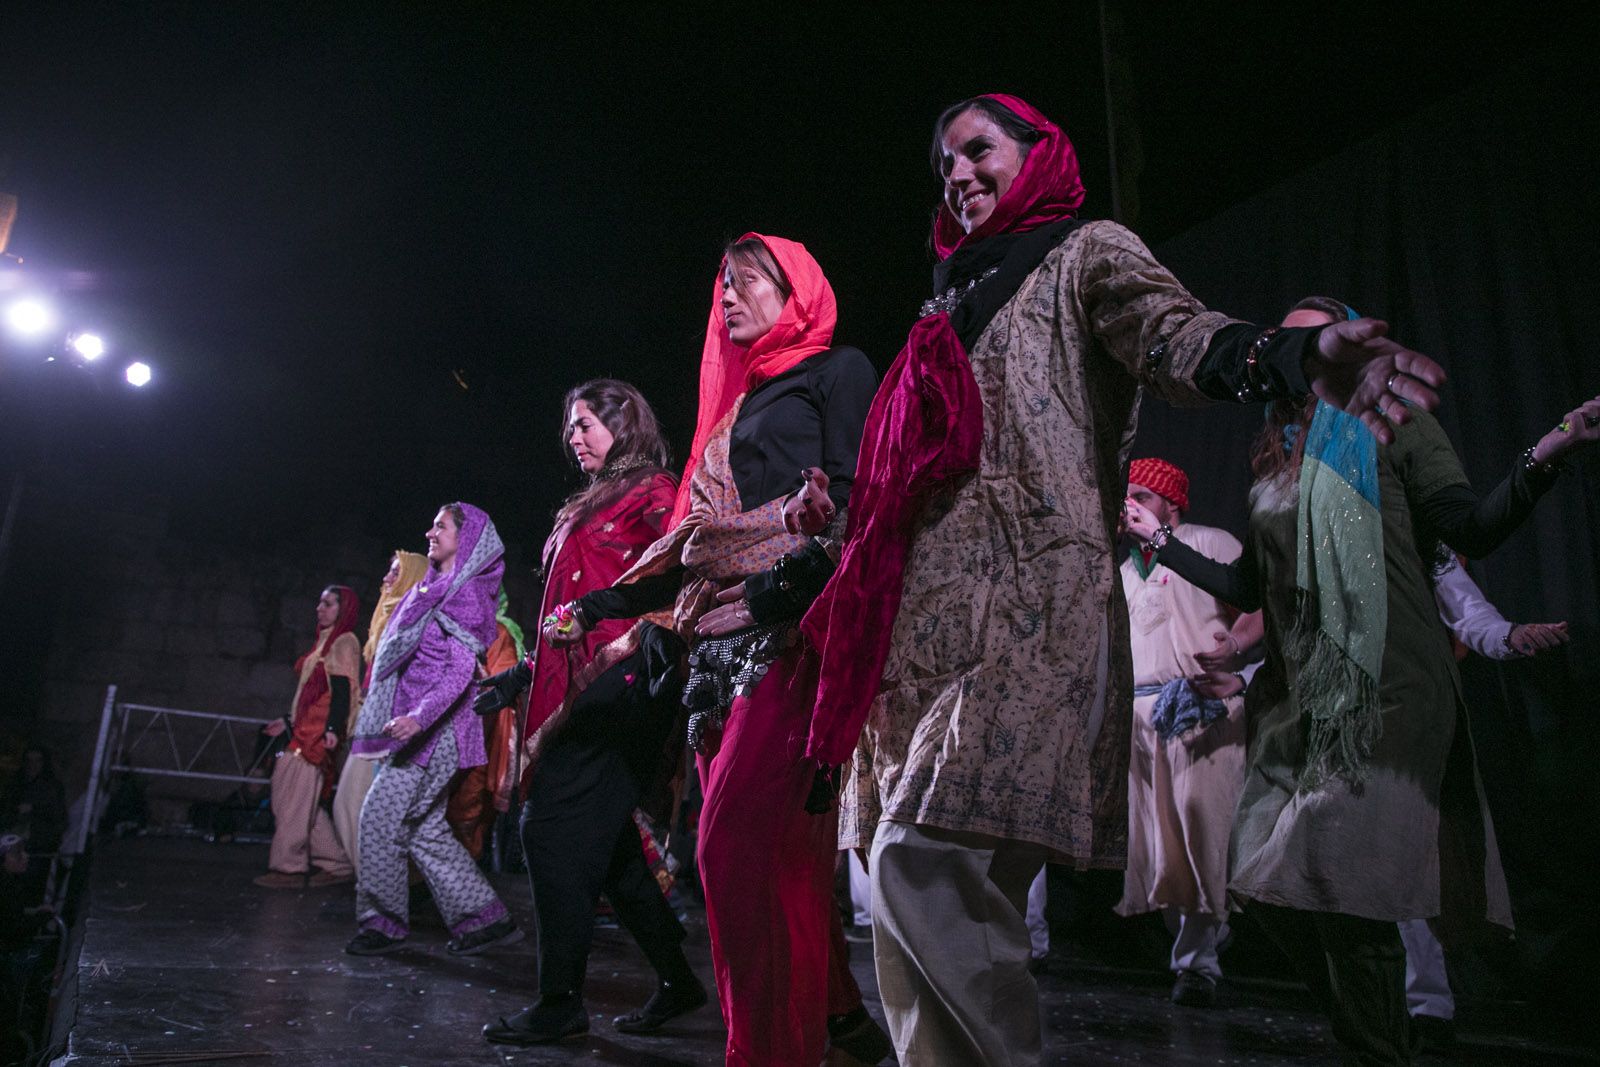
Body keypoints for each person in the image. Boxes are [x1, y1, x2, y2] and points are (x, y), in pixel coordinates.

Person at [800, 95, 1449, 1066]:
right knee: (910, 888)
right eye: (942, 165)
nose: (958, 173)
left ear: (1038, 153)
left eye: (980, 149)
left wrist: (1289, 352)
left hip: (1024, 614)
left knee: (920, 860)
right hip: (921, 637)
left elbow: (1175, 336)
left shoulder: (1080, 253)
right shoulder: (945, 306)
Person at [1122, 296, 1600, 1064]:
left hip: (1388, 692)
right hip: (1294, 706)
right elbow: (1246, 583)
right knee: (1255, 883)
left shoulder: (1395, 428)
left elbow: (1471, 526)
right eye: (1294, 344)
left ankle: (1382, 1047)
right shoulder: (1273, 462)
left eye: (1324, 339)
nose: (1311, 355)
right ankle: (1366, 1036)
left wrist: (1547, 451)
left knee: (1351, 887)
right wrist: (1162, 539)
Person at [544, 237, 891, 1065]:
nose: (726, 301)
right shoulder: (734, 410)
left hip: (794, 631)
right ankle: (833, 1025)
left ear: (794, 288)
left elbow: (853, 501)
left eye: (744, 285)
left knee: (729, 849)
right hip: (712, 644)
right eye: (721, 289)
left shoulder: (837, 373)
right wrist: (603, 601)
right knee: (783, 866)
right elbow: (690, 544)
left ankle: (764, 1052)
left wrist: (783, 559)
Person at [473, 378, 706, 1046]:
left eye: (584, 424)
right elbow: (564, 620)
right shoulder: (594, 500)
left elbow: (676, 571)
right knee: (608, 853)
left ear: (622, 423)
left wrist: (612, 617)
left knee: (548, 830)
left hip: (621, 689)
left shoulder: (653, 493)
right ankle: (676, 979)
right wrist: (521, 673)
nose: (573, 437)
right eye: (569, 428)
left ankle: (559, 1001)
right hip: (590, 686)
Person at [1112, 458, 1261, 1008]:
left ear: (1170, 503)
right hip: (1142, 715)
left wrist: (1235, 650)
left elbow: (1262, 600)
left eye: (1141, 495)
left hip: (1201, 709)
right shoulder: (1126, 568)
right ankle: (1201, 940)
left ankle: (1198, 962)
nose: (1129, 504)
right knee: (1158, 845)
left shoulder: (1208, 542)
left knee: (1203, 833)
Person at [345, 504, 521, 956]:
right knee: (424, 828)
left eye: (440, 526)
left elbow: (460, 671)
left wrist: (419, 717)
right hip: (419, 730)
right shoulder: (429, 590)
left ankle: (382, 923)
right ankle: (484, 919)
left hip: (434, 733)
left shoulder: (463, 597)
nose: (430, 532)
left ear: (468, 539)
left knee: (378, 818)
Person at [255, 586, 360, 889]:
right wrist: (287, 721)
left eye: (328, 604)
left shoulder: (343, 641)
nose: (319, 608)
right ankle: (337, 865)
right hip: (305, 727)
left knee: (291, 794)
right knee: (303, 802)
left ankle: (288, 868)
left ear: (343, 610)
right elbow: (311, 694)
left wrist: (331, 730)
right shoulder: (324, 642)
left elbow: (341, 691)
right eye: (320, 602)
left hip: (315, 733)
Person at [333, 550, 427, 870]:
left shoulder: (412, 618)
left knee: (357, 807)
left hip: (388, 728)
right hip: (370, 720)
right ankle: (378, 882)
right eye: (389, 571)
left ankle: (381, 884)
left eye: (396, 573)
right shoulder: (386, 616)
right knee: (353, 807)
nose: (387, 579)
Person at [445, 587, 523, 859]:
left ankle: (466, 886)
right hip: (441, 735)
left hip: (478, 738)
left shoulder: (499, 634)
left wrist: (474, 679)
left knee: (467, 811)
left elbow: (502, 684)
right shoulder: (447, 627)